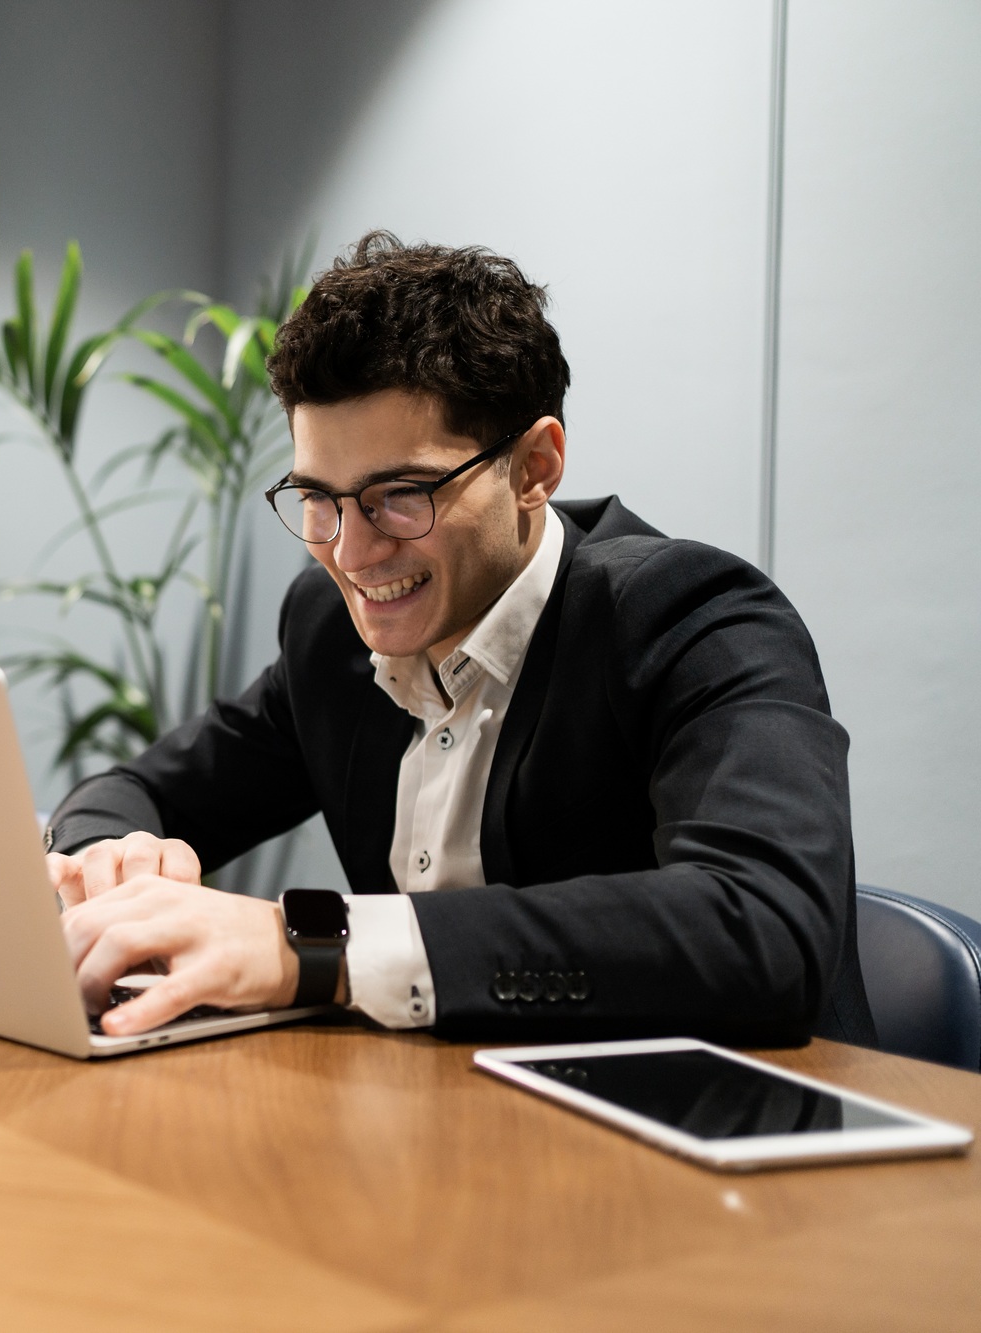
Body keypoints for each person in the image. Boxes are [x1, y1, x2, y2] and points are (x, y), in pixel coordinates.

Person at [45, 232, 875, 1048]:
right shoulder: (327, 634)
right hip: (461, 1134)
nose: (353, 552)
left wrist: (314, 945)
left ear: (534, 467)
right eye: (317, 499)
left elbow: (764, 929)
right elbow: (132, 790)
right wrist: (109, 866)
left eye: (400, 495)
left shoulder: (692, 616)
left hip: (738, 1140)